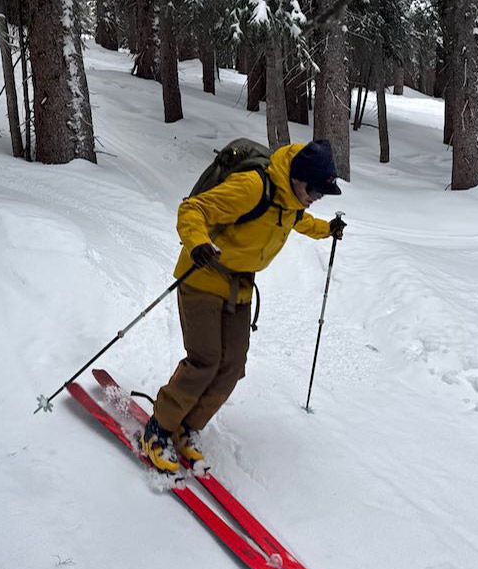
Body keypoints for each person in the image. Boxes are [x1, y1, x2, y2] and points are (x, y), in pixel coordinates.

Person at [140, 139, 347, 473]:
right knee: (205, 360)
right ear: (298, 178)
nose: (316, 199)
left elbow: (299, 222)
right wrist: (197, 243)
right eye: (316, 191)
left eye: (322, 195)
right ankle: (159, 429)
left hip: (240, 287)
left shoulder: (293, 203)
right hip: (203, 276)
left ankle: (187, 428)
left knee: (233, 365)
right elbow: (193, 209)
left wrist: (327, 230)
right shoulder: (253, 187)